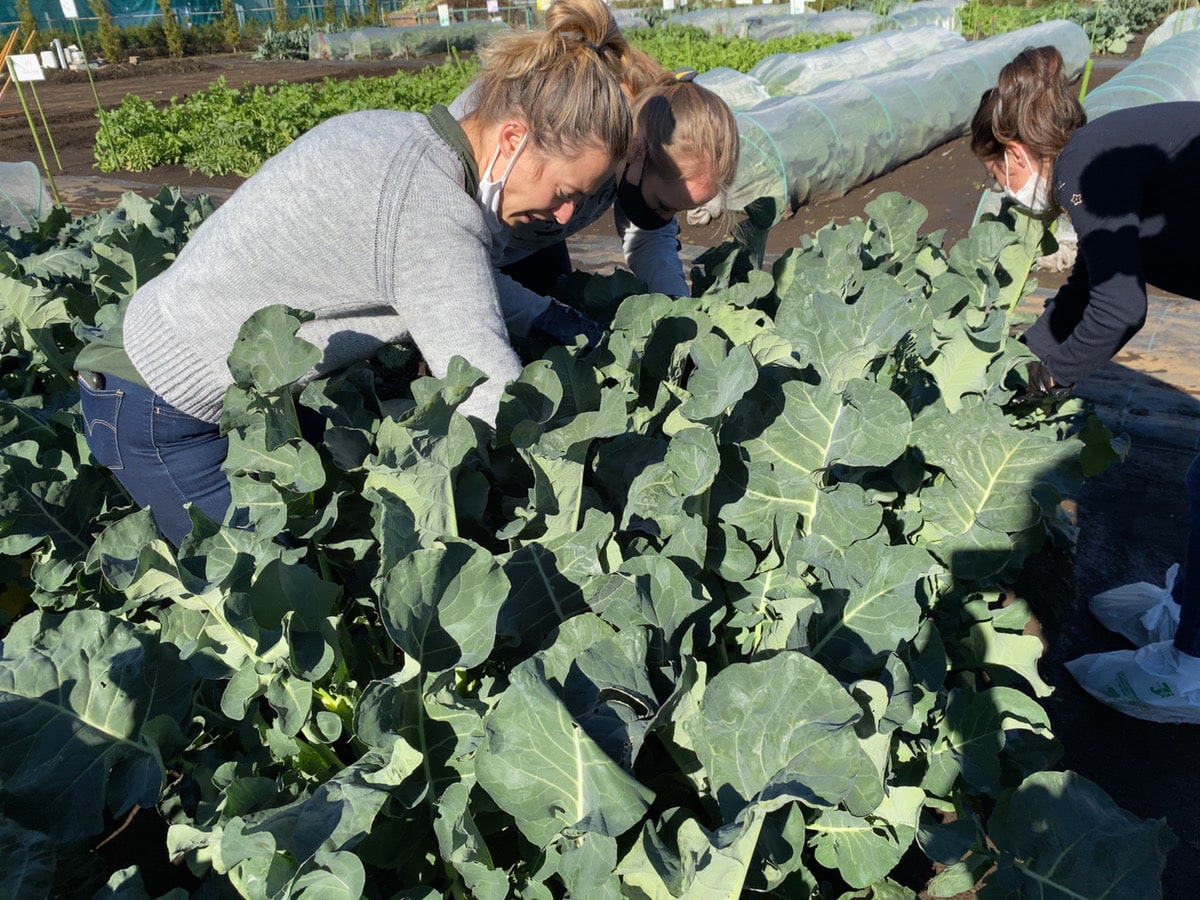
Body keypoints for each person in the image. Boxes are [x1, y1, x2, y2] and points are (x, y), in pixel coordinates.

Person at [74, 0, 632, 547]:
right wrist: (567, 502)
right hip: (161, 410)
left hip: (192, 384)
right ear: (513, 139)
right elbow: (484, 387)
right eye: (564, 194)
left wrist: (553, 318)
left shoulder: (404, 140)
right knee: (263, 604)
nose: (564, 218)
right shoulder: (427, 209)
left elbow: (463, 289)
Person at [971, 45, 1200, 722]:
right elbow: (1088, 283)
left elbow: (1121, 307)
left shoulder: (1079, 167)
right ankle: (1186, 611)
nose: (999, 187)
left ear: (1013, 151)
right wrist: (1025, 359)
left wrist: (1052, 377)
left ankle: (1191, 669)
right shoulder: (1097, 153)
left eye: (993, 172)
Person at [451, 38, 740, 342]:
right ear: (636, 151)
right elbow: (458, 266)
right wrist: (541, 316)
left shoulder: (644, 127)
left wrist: (679, 313)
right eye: (664, 204)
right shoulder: (569, 122)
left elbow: (649, 238)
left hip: (537, 244)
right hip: (462, 250)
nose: (667, 218)